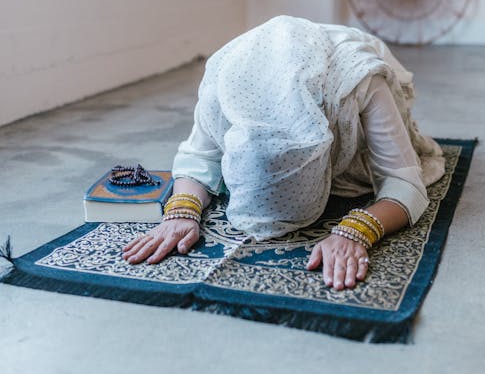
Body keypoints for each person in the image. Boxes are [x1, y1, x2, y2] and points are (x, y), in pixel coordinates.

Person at [123, 15, 445, 291]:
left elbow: (404, 180)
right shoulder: (224, 84)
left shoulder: (363, 82)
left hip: (346, 59)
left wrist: (357, 231)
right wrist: (181, 212)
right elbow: (200, 157)